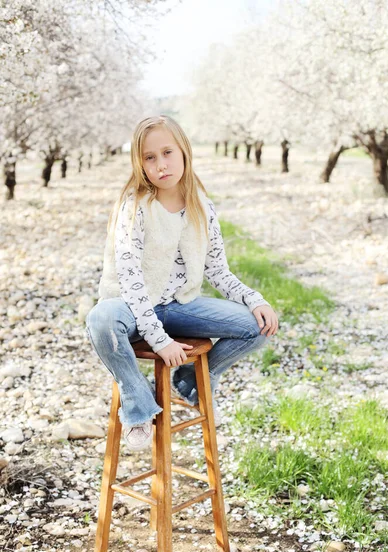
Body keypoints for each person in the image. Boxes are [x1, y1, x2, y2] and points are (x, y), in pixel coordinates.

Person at [85, 115, 278, 451]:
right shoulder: (134, 207)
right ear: (140, 164)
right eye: (150, 157)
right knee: (100, 320)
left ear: (184, 152)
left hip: (178, 305)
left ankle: (191, 382)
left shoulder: (202, 208)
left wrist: (254, 299)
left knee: (258, 325)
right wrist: (159, 341)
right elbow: (130, 282)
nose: (161, 165)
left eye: (167, 152)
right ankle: (138, 402)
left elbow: (217, 270)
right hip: (129, 306)